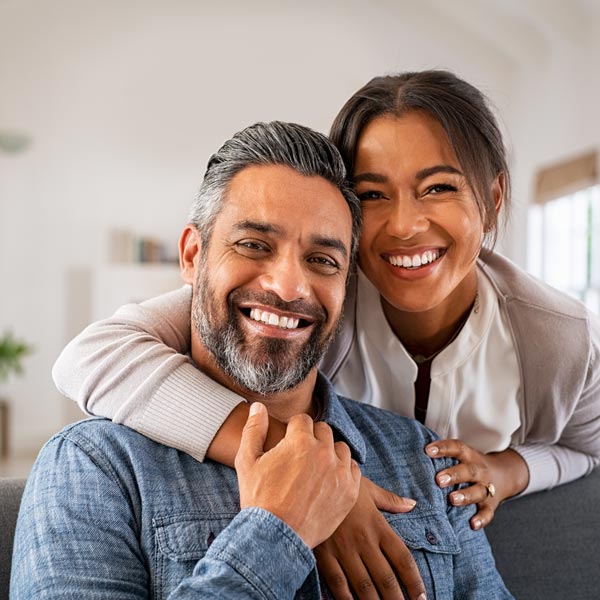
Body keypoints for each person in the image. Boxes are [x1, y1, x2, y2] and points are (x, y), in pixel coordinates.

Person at [52, 71, 600, 591]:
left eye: (437, 187)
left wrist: (509, 470)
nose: (405, 225)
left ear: (494, 198)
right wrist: (311, 475)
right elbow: (94, 355)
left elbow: (588, 448)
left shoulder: (554, 335)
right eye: (373, 194)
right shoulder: (313, 301)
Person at [12, 121, 511, 600]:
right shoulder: (94, 467)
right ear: (192, 256)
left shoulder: (421, 459)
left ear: (346, 286)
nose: (288, 287)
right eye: (253, 245)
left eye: (322, 260)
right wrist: (276, 533)